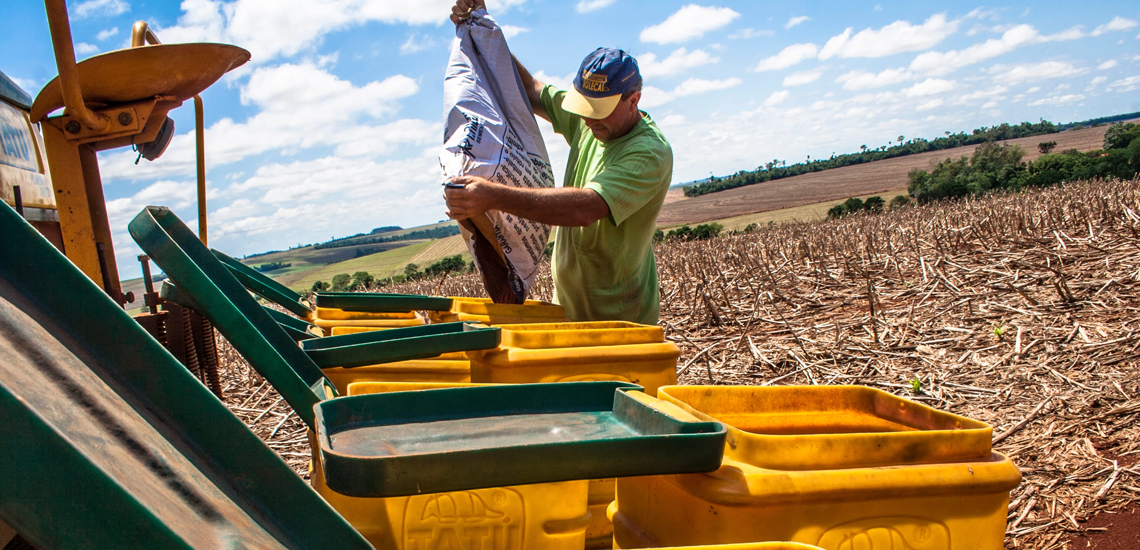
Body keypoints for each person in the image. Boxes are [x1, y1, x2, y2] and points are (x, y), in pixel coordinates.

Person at [444, 0, 673, 325]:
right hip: (569, 308)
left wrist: (492, 196)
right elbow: (530, 89)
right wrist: (479, 28)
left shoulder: (648, 152)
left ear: (633, 100)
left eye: (599, 111)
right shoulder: (588, 115)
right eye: (584, 107)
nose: (589, 120)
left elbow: (585, 208)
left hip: (619, 319)